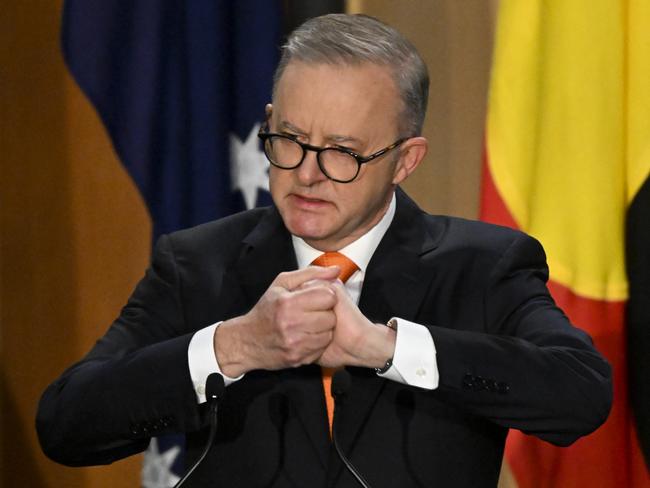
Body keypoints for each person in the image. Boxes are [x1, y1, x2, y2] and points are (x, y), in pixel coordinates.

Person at [37, 14, 612, 487]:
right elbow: (66, 424)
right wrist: (234, 346)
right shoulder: (196, 263)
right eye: (289, 139)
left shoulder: (483, 265)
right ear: (269, 123)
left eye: (342, 151)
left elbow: (580, 394)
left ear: (406, 159)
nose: (307, 174)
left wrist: (384, 346)